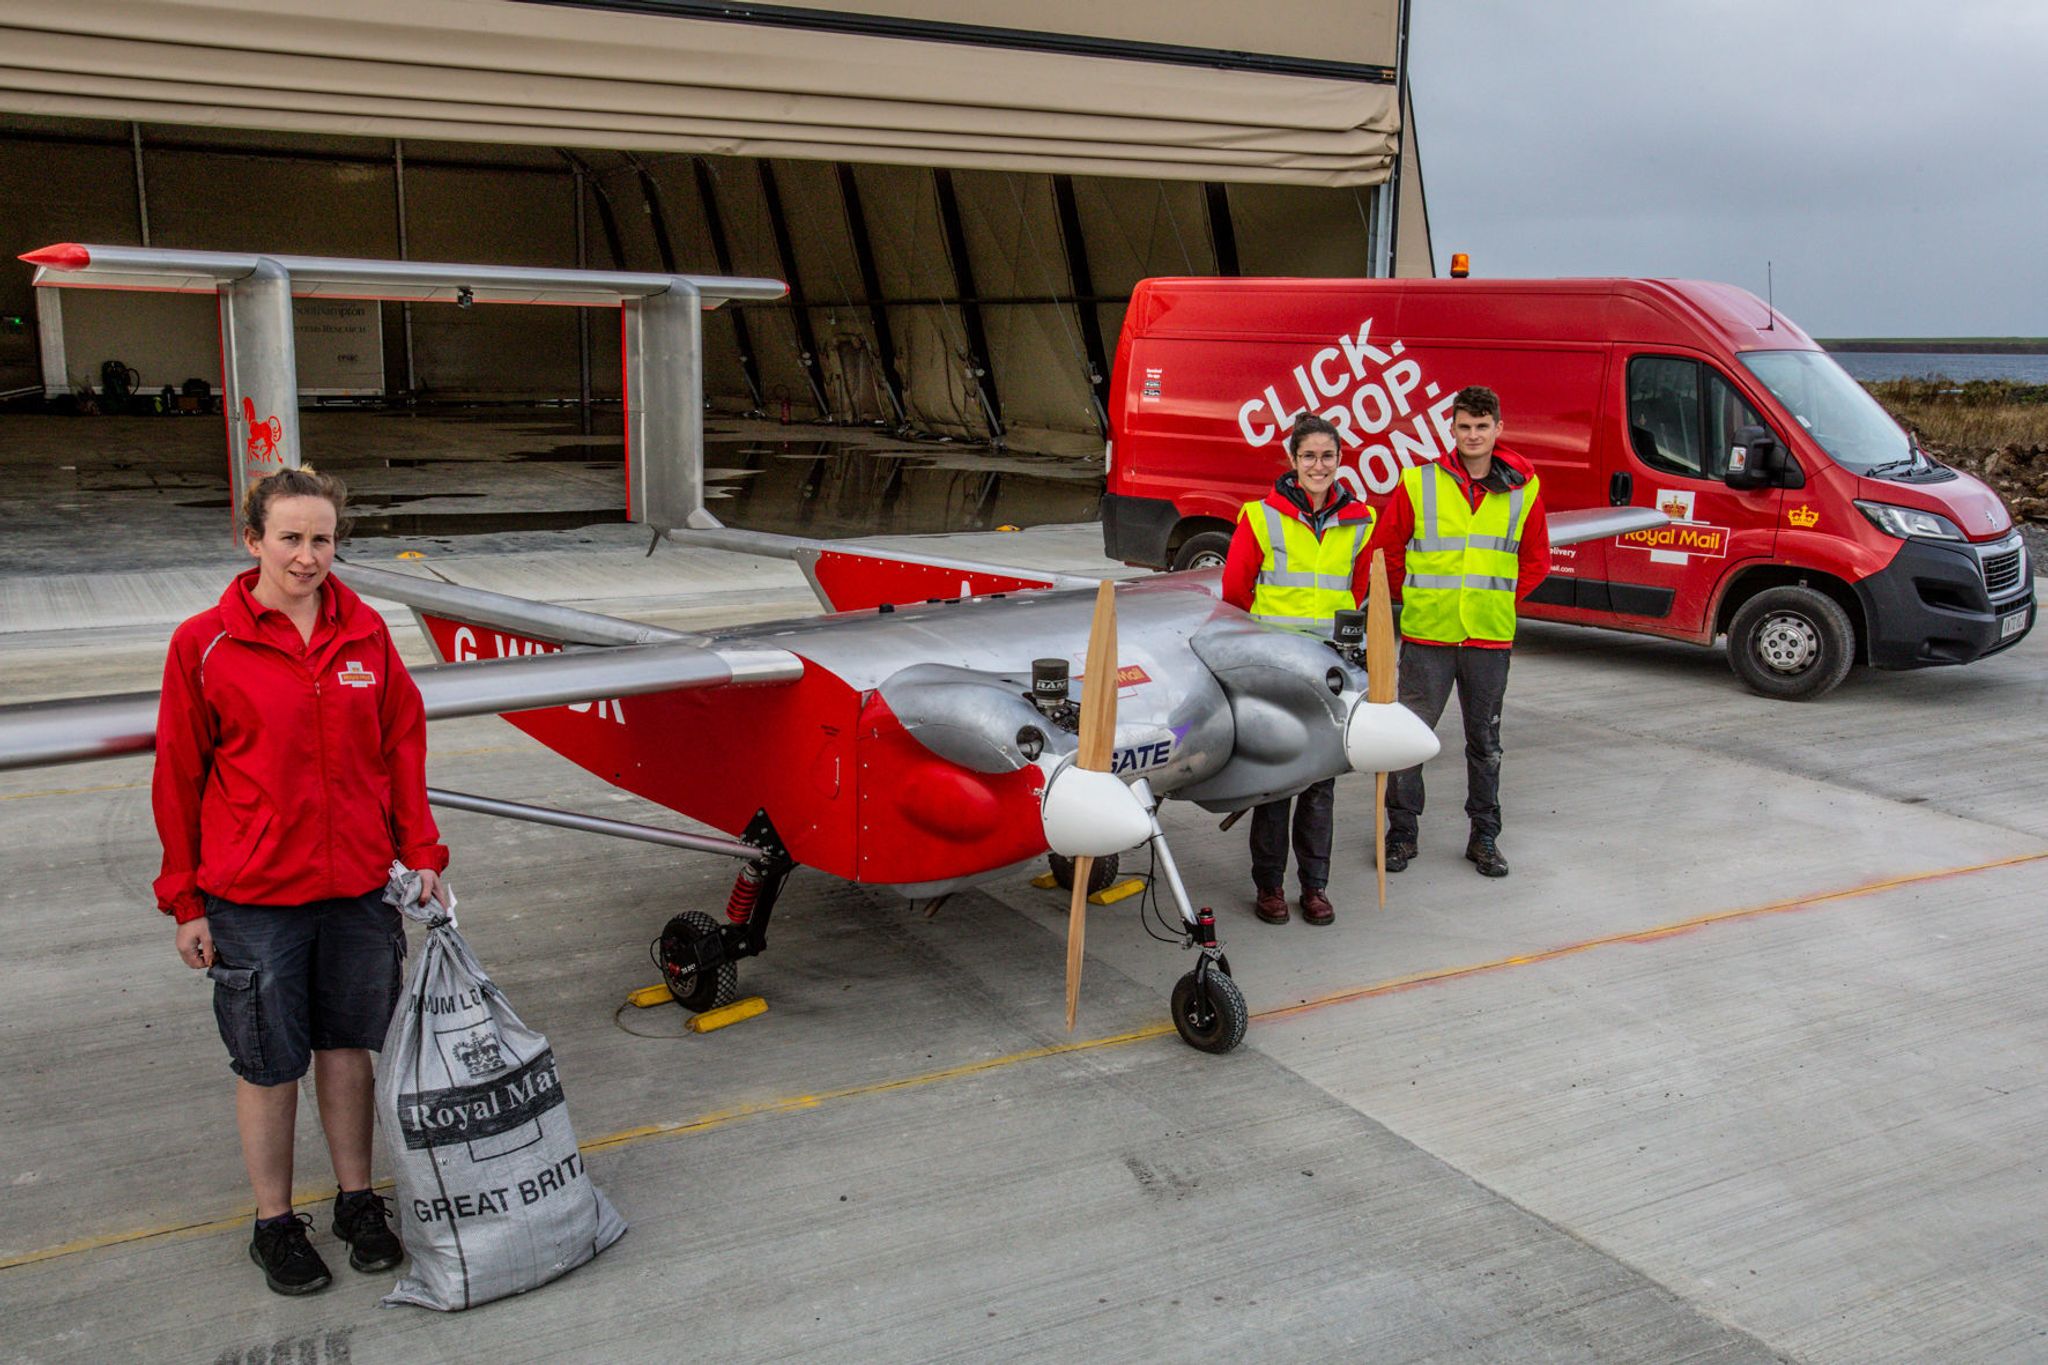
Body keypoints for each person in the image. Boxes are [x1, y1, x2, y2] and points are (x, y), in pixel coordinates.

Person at [152, 466, 449, 1296]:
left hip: (355, 887)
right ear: (253, 540)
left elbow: (402, 746)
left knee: (348, 1047)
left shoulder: (367, 634)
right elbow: (177, 774)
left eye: (322, 539)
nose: (307, 556)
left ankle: (357, 1202)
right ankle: (275, 1222)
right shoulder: (205, 643)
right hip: (253, 899)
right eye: (290, 538)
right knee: (268, 1062)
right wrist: (185, 900)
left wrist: (421, 852)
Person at [1369, 385, 1550, 878]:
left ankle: (1484, 837)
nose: (1473, 435)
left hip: (1488, 638)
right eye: (1464, 426)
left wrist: (1497, 600)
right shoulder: (1419, 482)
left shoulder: (1524, 489)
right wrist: (1418, 598)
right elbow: (1387, 551)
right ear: (1451, 429)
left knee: (1485, 744)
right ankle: (1402, 834)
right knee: (1409, 741)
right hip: (1428, 635)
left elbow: (1536, 560)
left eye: (1482, 426)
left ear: (1498, 429)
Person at [1221, 413, 1376, 926]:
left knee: (1319, 786)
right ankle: (1269, 886)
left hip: (1328, 670)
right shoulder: (1259, 516)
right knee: (1276, 783)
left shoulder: (1361, 521)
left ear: (1340, 459)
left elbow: (1360, 591)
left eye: (1327, 456)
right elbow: (1235, 593)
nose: (1318, 465)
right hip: (1276, 671)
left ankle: (1314, 887)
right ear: (1292, 460)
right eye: (1308, 456)